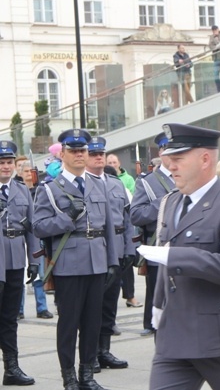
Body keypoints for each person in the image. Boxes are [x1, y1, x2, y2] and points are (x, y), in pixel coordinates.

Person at [137, 123, 220, 390]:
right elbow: (165, 262)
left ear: (205, 159)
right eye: (169, 159)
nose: (171, 166)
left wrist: (176, 256)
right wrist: (158, 307)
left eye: (178, 159)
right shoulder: (171, 201)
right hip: (175, 334)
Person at [33, 128, 119, 390]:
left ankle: (87, 375)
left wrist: (112, 260)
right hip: (69, 263)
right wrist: (67, 217)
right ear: (64, 155)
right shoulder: (51, 188)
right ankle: (68, 376)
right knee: (69, 324)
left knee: (93, 322)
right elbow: (39, 226)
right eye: (74, 151)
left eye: (83, 150)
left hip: (97, 259)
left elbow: (108, 228)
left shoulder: (97, 184)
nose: (80, 155)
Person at [84, 137, 132, 373]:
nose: (99, 157)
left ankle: (104, 350)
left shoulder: (116, 183)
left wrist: (130, 249)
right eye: (93, 154)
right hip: (95, 249)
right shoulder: (83, 183)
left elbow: (127, 217)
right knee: (92, 306)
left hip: (119, 248)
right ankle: (90, 354)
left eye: (101, 153)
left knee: (110, 304)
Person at [0, 140, 38, 385]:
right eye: (1, 163)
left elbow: (32, 226)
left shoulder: (21, 189)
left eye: (9, 162)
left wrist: (34, 259)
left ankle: (11, 368)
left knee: (9, 317)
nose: (5, 167)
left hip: (15, 259)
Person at [130, 133, 175, 337]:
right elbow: (137, 215)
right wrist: (163, 202)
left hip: (189, 248)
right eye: (167, 148)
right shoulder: (147, 182)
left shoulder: (191, 175)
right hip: (160, 249)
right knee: (161, 305)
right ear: (161, 152)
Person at [16, 160, 53, 321]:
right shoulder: (18, 190)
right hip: (18, 239)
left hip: (35, 237)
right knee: (20, 278)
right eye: (25, 172)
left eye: (31, 172)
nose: (29, 175)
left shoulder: (41, 189)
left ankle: (42, 307)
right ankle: (19, 308)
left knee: (39, 275)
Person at [207, 25, 220, 93]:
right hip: (216, 58)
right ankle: (219, 89)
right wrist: (217, 47)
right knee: (215, 74)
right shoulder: (211, 37)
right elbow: (210, 46)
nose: (214, 32)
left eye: (216, 30)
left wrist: (216, 39)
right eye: (213, 31)